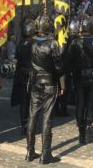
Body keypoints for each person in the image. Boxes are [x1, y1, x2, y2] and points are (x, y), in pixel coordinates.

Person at [25, 15, 64, 164]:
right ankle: (45, 153)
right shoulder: (52, 43)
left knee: (33, 115)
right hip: (49, 83)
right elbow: (58, 66)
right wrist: (61, 80)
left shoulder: (30, 43)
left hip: (35, 82)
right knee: (47, 118)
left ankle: (30, 151)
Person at [67, 19, 93, 145]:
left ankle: (81, 134)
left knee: (80, 103)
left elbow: (69, 59)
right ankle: (88, 133)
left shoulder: (74, 42)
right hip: (91, 76)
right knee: (90, 103)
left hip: (78, 76)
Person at [11, 21, 37, 136]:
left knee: (24, 102)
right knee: (32, 102)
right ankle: (30, 126)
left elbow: (17, 59)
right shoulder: (34, 44)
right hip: (31, 75)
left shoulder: (20, 43)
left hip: (21, 75)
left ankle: (24, 125)